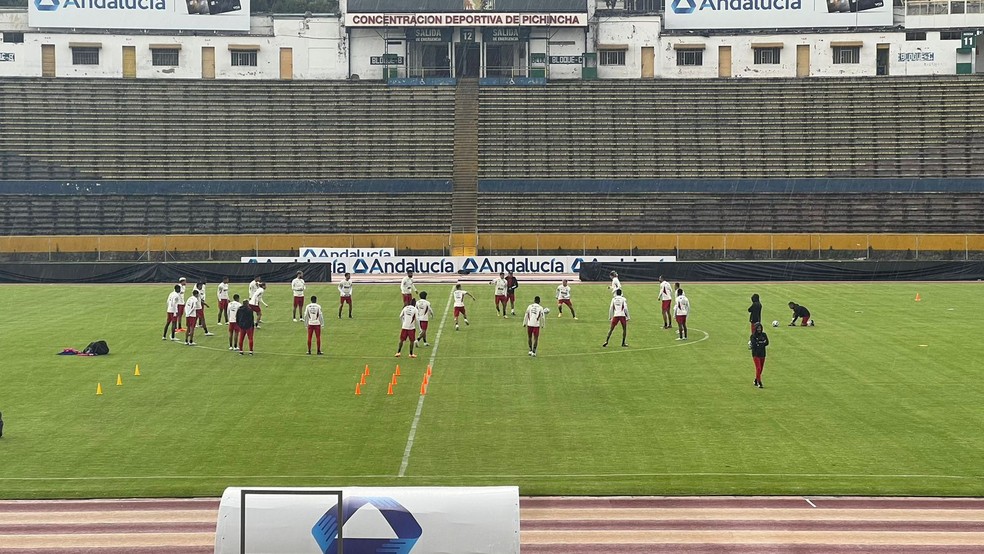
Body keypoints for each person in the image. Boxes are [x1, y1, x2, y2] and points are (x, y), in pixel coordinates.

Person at [750, 322, 769, 388]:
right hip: (756, 354)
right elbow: (754, 344)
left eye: (760, 328)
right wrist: (761, 343)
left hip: (762, 354)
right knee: (758, 368)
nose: (759, 329)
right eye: (758, 328)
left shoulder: (764, 335)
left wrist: (759, 343)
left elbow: (767, 342)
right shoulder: (753, 336)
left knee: (761, 369)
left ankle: (756, 380)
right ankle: (759, 382)